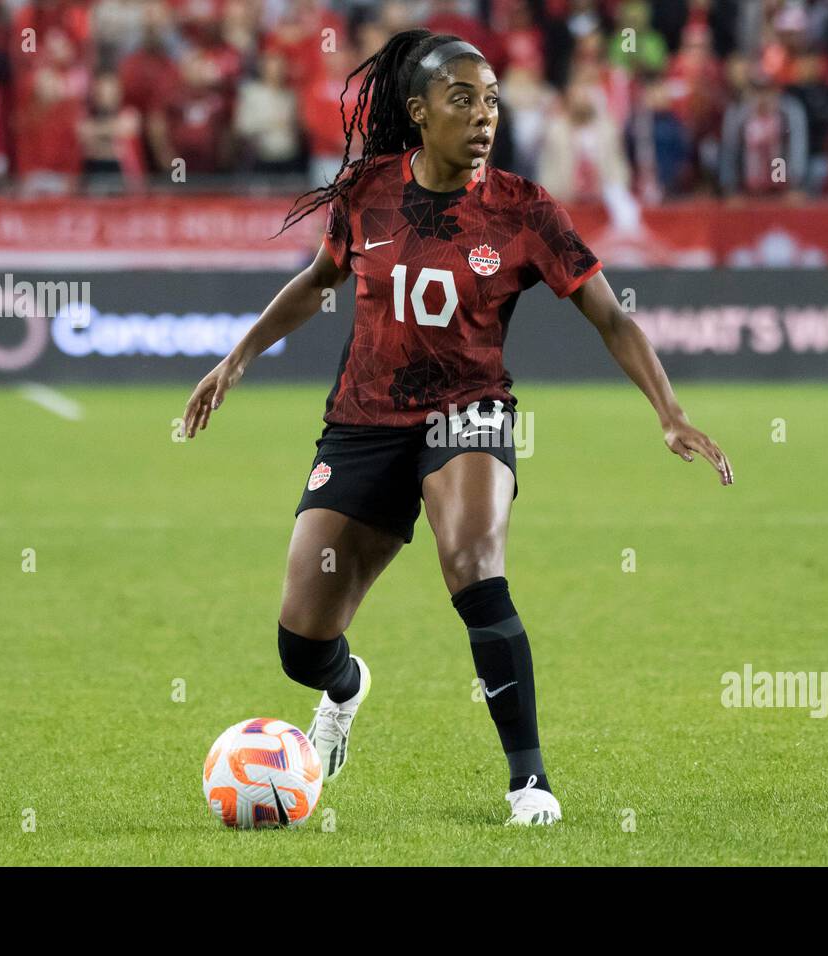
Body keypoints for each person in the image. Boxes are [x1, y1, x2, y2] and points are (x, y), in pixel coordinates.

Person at [181, 29, 732, 827]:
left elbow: (611, 317)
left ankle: (529, 783)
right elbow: (318, 280)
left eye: (493, 102)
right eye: (464, 100)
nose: (483, 117)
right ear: (419, 111)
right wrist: (235, 359)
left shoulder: (523, 209)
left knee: (474, 568)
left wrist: (670, 412)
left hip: (468, 411)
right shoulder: (367, 191)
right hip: (364, 418)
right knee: (300, 645)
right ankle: (345, 688)